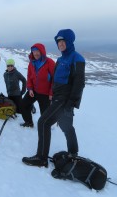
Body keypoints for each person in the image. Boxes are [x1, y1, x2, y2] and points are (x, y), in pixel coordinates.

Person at [22, 29, 85, 167]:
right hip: (58, 96)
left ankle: (41, 158)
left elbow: (79, 83)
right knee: (65, 125)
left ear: (69, 42)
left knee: (43, 122)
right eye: (59, 42)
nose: (60, 44)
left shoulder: (77, 58)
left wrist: (71, 103)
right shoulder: (61, 59)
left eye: (63, 41)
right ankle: (73, 153)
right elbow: (55, 80)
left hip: (65, 98)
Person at [20, 43, 55, 127]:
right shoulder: (31, 63)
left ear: (42, 51)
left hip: (45, 94)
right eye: (34, 51)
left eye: (37, 51)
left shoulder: (49, 62)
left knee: (44, 113)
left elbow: (55, 79)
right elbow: (29, 76)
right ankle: (29, 122)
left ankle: (45, 127)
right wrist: (30, 89)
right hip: (33, 91)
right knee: (23, 105)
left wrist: (51, 93)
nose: (35, 53)